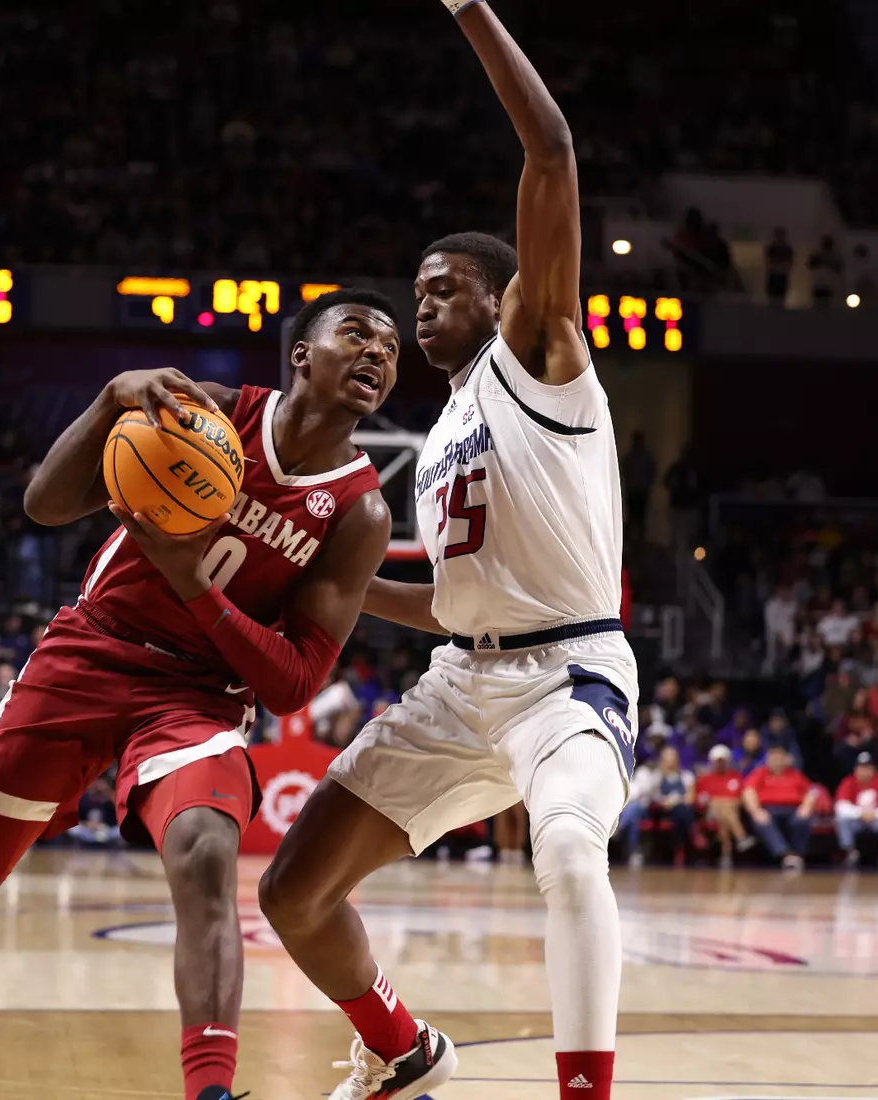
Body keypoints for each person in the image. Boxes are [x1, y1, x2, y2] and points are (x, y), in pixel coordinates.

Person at [0, 285, 401, 1100]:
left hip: (197, 695)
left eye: (391, 348)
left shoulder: (359, 514)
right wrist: (111, 396)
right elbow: (45, 504)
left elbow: (292, 683)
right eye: (357, 333)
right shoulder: (208, 414)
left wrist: (197, 588)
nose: (377, 352)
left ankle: (211, 1090)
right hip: (87, 656)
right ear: (302, 354)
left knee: (207, 851)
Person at [256, 6, 634, 1097]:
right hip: (461, 680)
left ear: (502, 293)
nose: (420, 309)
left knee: (565, 848)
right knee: (294, 890)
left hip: (568, 675)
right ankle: (404, 1049)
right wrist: (329, 583)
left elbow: (551, 148)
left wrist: (470, 8)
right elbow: (455, 602)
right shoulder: (441, 438)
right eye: (414, 295)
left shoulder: (541, 353)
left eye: (440, 291)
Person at [743, 744, 819, 870]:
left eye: (779, 758)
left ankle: (798, 854)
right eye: (773, 758)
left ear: (785, 759)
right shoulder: (759, 774)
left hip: (793, 809)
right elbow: (748, 792)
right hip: (769, 809)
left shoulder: (796, 775)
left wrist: (806, 807)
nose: (776, 761)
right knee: (763, 821)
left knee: (802, 819)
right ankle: (785, 854)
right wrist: (756, 810)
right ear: (767, 760)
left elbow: (810, 793)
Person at [833, 752, 878, 866]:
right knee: (841, 819)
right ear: (856, 769)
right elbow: (840, 807)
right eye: (861, 768)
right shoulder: (848, 782)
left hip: (877, 822)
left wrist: (875, 814)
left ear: (873, 769)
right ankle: (849, 852)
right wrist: (860, 814)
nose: (864, 772)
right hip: (857, 822)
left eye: (867, 768)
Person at [693, 744, 750, 866]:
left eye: (723, 761)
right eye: (717, 761)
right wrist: (720, 802)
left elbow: (741, 799)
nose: (720, 764)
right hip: (709, 813)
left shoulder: (736, 777)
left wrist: (721, 802)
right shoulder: (704, 779)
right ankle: (741, 836)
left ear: (728, 761)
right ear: (712, 762)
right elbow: (700, 800)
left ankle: (726, 853)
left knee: (723, 815)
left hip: (731, 812)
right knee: (722, 807)